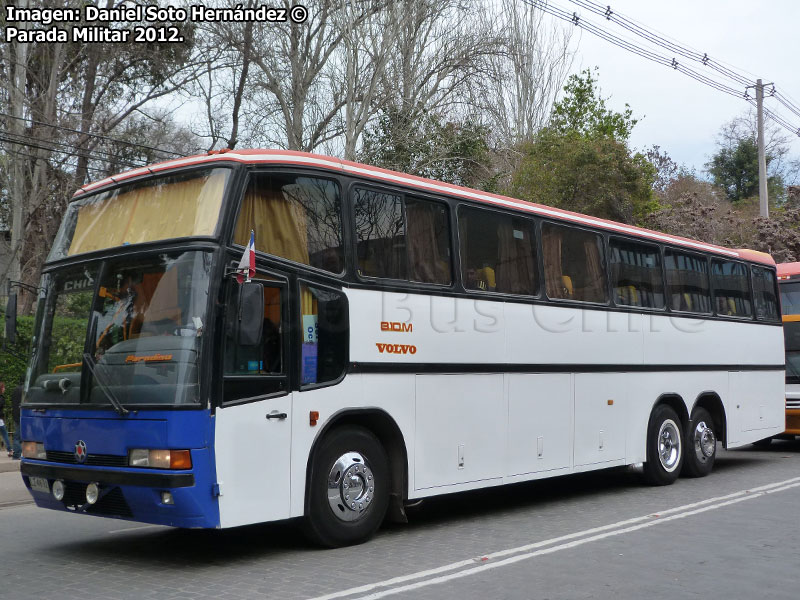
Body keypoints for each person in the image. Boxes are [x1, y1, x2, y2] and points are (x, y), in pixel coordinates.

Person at [11, 379, 22, 460]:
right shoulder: (25, 390)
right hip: (22, 415)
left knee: (16, 437)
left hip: (16, 415)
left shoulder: (15, 390)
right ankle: (17, 454)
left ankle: (17, 453)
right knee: (19, 437)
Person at [0, 382, 11, 457]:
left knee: (5, 434)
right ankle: (9, 450)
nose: (4, 389)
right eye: (3, 387)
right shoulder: (1, 398)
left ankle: (9, 450)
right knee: (5, 434)